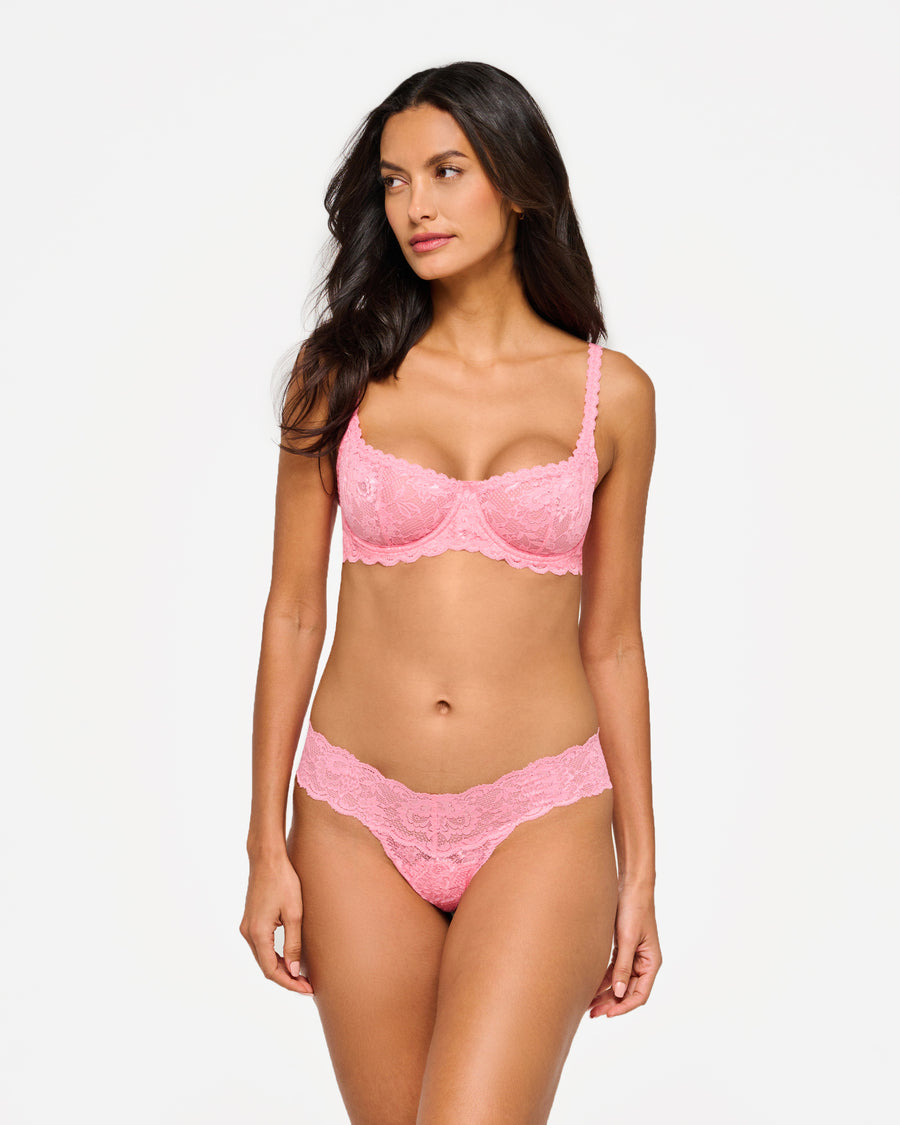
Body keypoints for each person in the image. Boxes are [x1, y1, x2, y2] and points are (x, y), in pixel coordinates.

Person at [240, 60, 662, 1124]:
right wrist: (263, 843)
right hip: (352, 816)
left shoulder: (612, 397)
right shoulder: (336, 373)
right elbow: (293, 611)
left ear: (516, 183)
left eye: (445, 171)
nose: (415, 206)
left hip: (542, 816)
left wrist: (642, 872)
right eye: (393, 181)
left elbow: (613, 641)